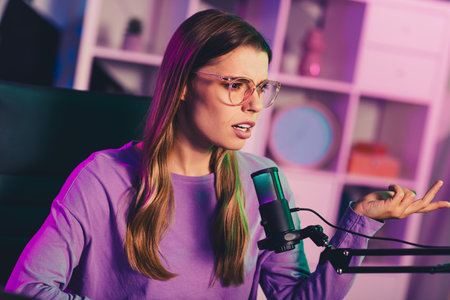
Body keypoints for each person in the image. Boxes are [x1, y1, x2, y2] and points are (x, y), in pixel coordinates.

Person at [5, 9, 448, 300]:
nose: (254, 105)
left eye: (262, 87)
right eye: (235, 85)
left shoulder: (263, 181)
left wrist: (361, 224)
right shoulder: (103, 177)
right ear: (181, 85)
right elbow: (29, 287)